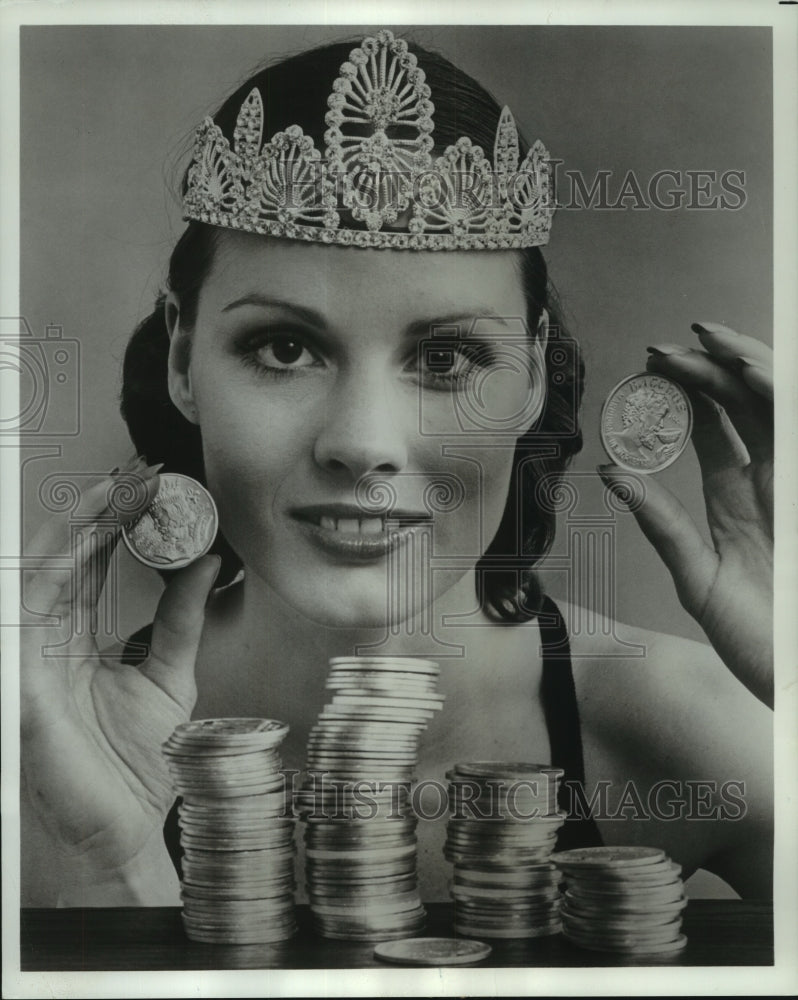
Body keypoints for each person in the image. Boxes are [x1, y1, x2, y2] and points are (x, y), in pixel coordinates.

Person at [21, 29, 773, 908]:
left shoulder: (686, 723)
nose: (364, 443)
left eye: (447, 359)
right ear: (184, 360)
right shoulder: (44, 753)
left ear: (531, 376)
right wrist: (105, 869)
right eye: (286, 346)